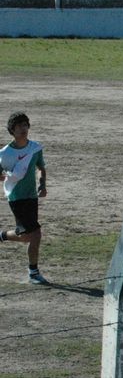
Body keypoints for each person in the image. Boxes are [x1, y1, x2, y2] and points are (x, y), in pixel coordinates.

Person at [0, 112, 48, 285]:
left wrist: (42, 184)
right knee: (35, 234)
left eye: (25, 125)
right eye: (19, 126)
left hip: (31, 196)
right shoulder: (5, 153)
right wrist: (7, 177)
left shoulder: (35, 148)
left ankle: (2, 236)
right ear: (12, 130)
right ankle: (33, 272)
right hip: (16, 197)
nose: (23, 128)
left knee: (27, 236)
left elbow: (41, 168)